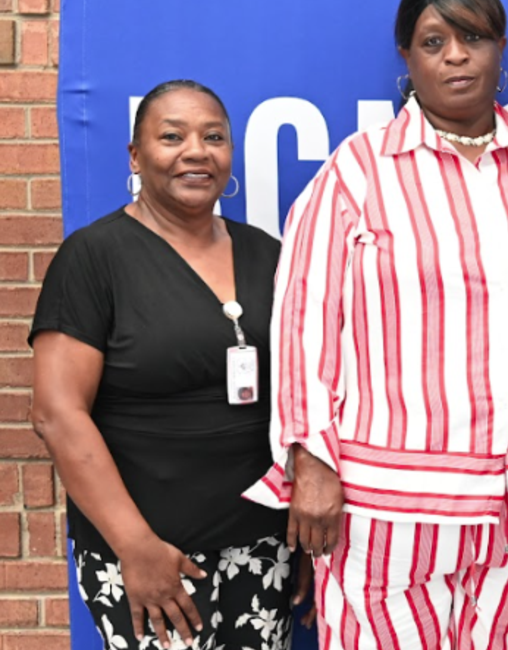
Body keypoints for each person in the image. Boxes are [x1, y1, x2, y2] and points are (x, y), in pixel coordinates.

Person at [239, 1, 508, 647]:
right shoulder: (358, 172)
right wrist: (310, 463)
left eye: (473, 37)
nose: (456, 55)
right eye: (434, 41)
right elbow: (304, 322)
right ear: (407, 58)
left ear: (500, 48)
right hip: (392, 499)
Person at [31, 79, 297, 650]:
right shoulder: (94, 257)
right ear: (135, 155)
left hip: (261, 549)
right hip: (154, 555)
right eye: (172, 136)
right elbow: (57, 414)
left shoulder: (268, 255)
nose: (196, 151)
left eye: (214, 137)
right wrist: (136, 547)